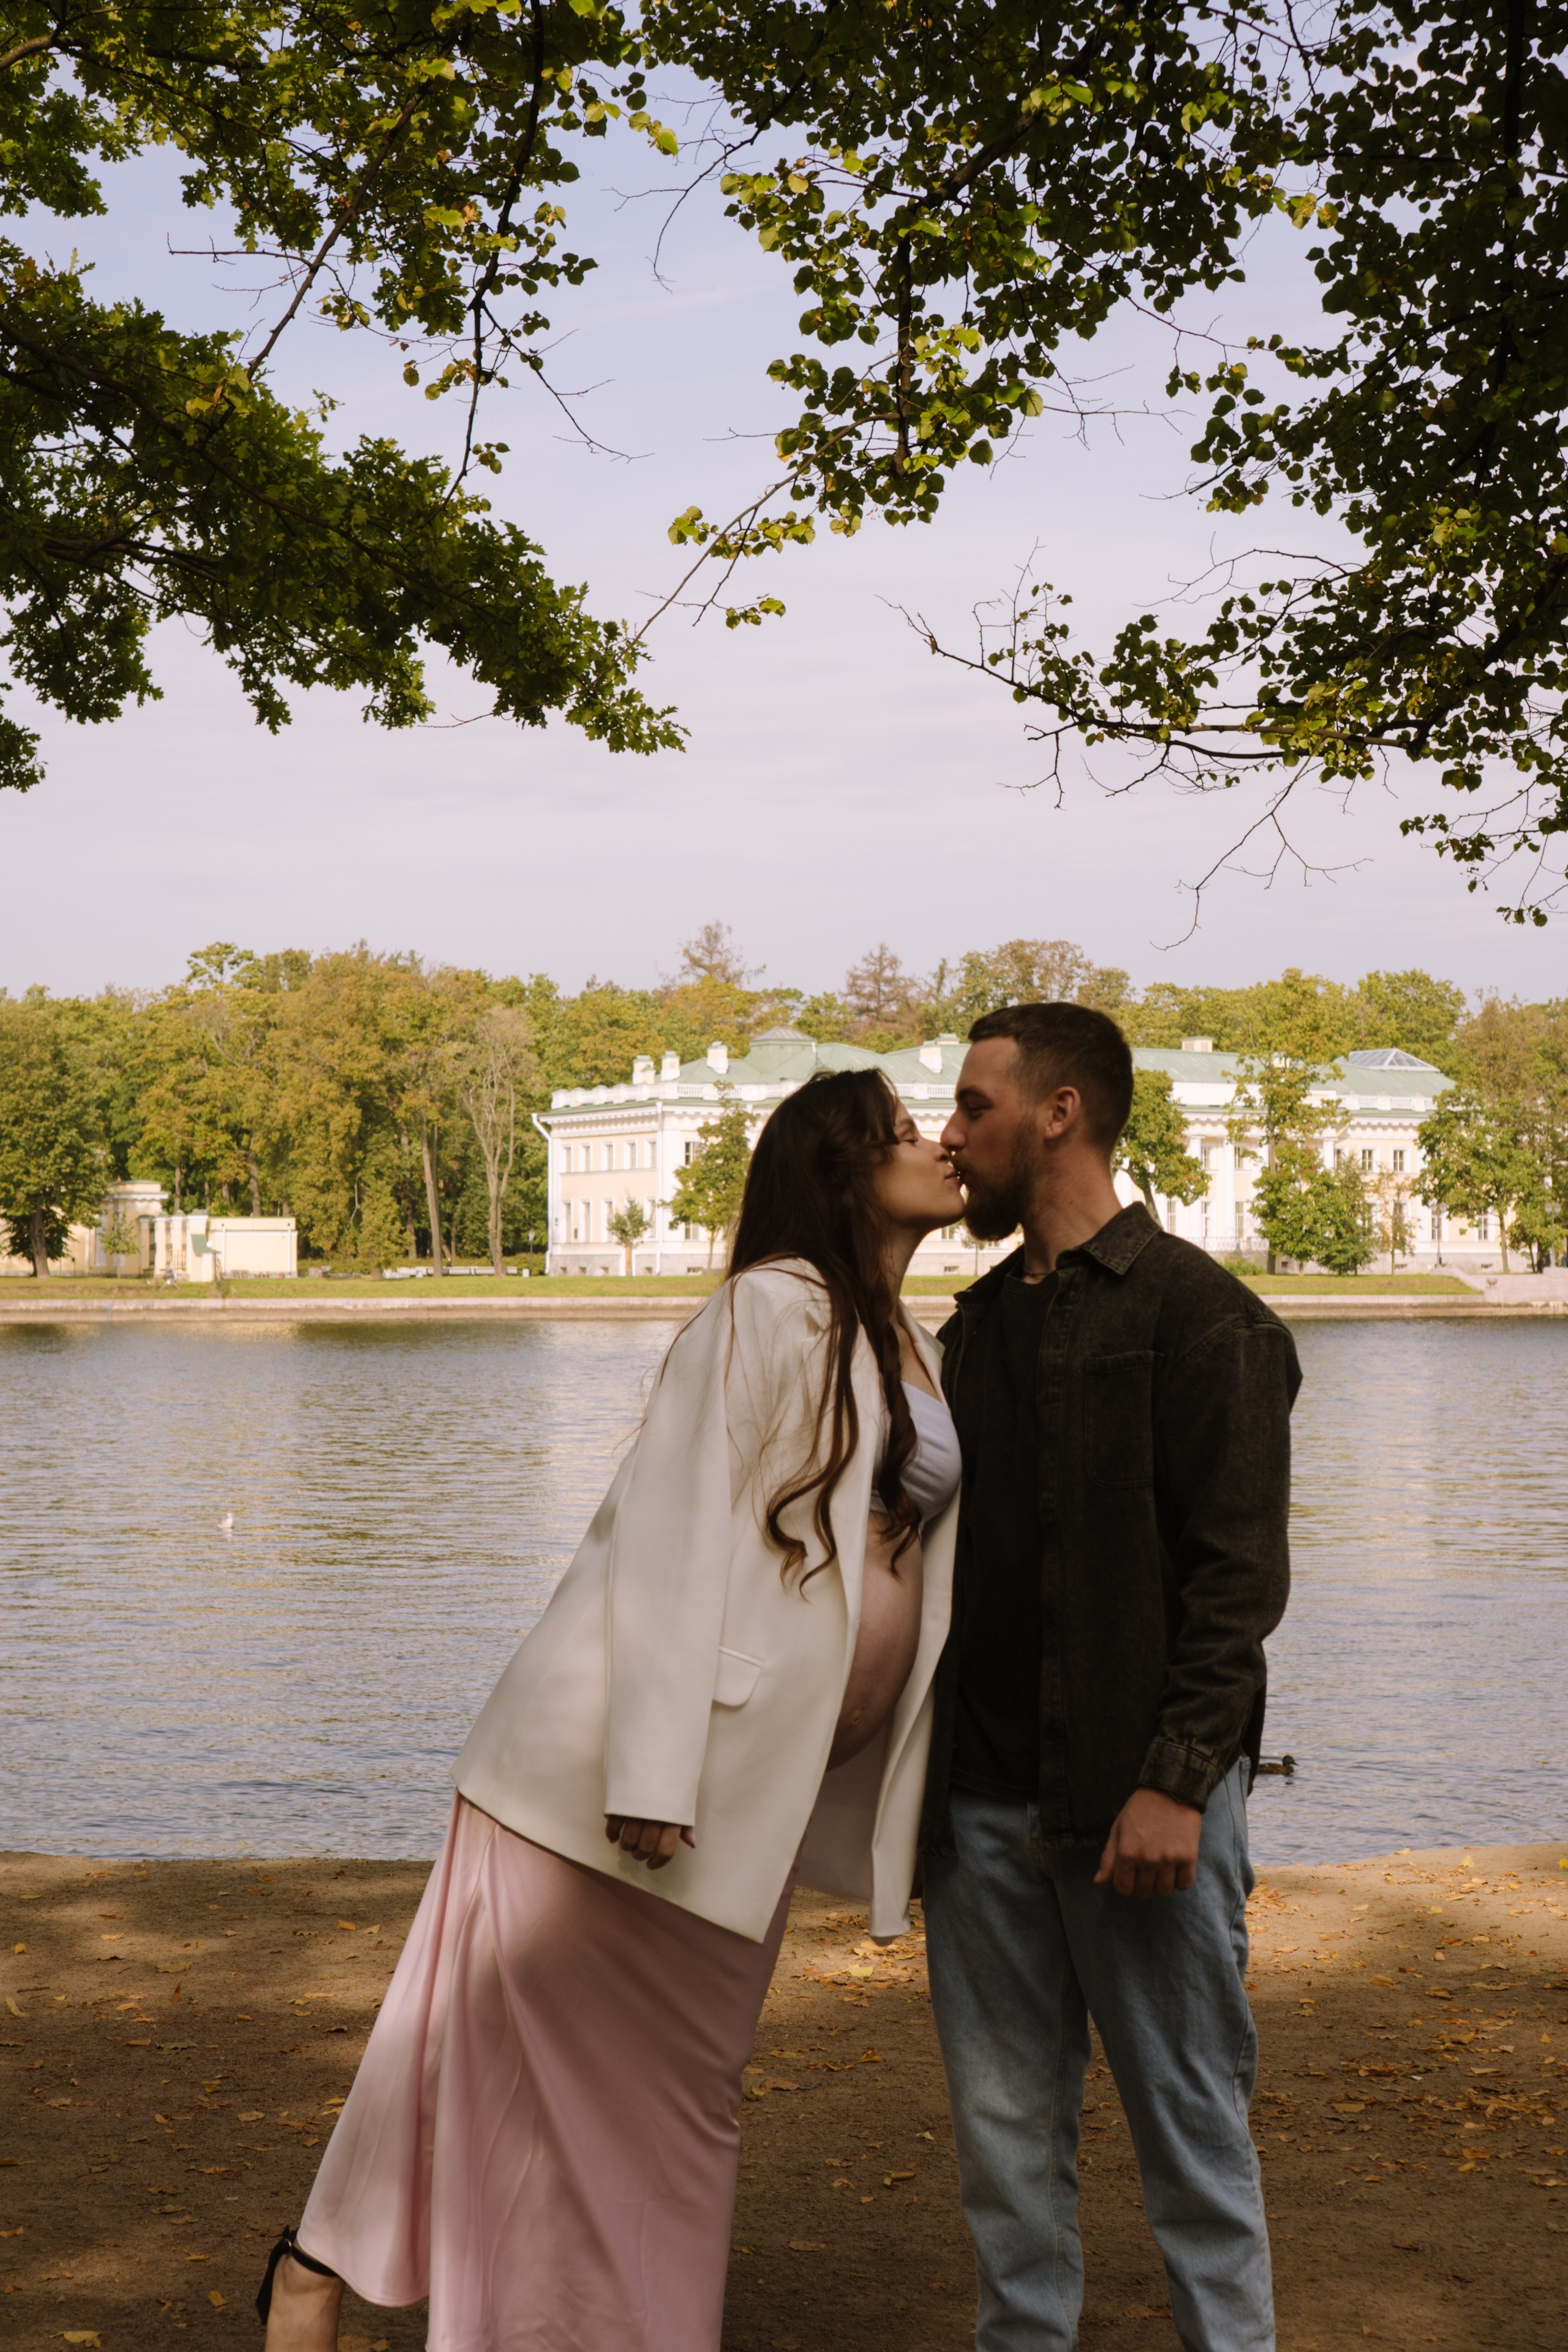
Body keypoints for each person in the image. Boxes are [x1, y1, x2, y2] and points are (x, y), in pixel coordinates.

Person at [256, 1067, 965, 2352]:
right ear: (841, 1169)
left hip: (754, 1795)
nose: (937, 1150)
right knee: (630, 2101)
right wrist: (653, 1770)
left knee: (567, 2076)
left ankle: (319, 2264)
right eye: (907, 1134)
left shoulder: (906, 1337)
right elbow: (672, 1530)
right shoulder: (769, 1308)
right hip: (627, 1790)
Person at [922, 1001, 1300, 2352]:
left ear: (1058, 1111)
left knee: (1193, 2152)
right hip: (974, 1821)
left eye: (971, 1105)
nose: (949, 1135)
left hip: (1138, 1818)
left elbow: (1233, 1587)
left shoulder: (1204, 1321)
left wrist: (1175, 1782)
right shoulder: (964, 1332)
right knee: (1004, 2171)